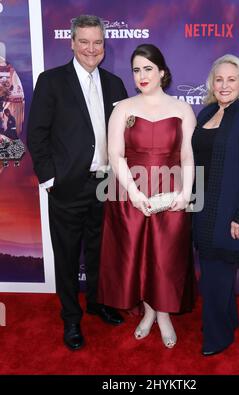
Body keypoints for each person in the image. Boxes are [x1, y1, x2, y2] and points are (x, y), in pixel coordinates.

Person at [27, 15, 128, 351]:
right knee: (68, 257)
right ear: (71, 43)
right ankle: (71, 318)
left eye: (97, 42)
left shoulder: (115, 84)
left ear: (104, 45)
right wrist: (51, 179)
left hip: (105, 186)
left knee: (102, 252)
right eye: (83, 41)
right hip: (67, 186)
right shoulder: (51, 81)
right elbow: (36, 135)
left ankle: (98, 303)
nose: (91, 48)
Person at [97, 44, 197, 348]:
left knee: (166, 257)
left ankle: (163, 314)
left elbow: (188, 157)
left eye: (148, 68)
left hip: (172, 193)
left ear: (162, 72)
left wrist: (185, 193)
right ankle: (148, 313)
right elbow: (114, 155)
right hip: (129, 193)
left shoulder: (182, 110)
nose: (142, 75)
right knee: (138, 257)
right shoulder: (123, 108)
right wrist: (136, 194)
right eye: (136, 70)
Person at [192, 54, 239, 356]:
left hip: (228, 214)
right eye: (219, 79)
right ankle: (228, 320)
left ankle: (217, 336)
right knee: (214, 275)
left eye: (231, 79)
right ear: (212, 82)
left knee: (215, 278)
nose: (224, 85)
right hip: (201, 211)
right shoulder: (205, 113)